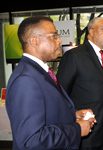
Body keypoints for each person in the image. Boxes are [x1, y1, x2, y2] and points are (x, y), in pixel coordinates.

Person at [5, 16, 96, 150]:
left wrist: (72, 115)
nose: (59, 41)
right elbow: (31, 140)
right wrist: (76, 129)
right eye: (53, 36)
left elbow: (45, 113)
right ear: (34, 41)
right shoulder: (25, 80)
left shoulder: (39, 72)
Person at [57, 17, 103, 150]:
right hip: (88, 128)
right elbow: (60, 93)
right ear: (91, 31)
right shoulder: (74, 56)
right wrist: (73, 117)